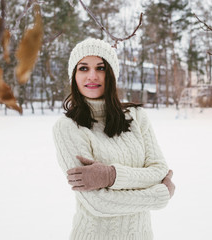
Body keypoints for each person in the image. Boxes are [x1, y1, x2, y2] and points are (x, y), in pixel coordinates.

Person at [53, 38, 175, 240]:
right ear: (74, 76)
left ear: (111, 74)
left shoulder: (136, 116)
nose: (92, 76)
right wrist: (158, 195)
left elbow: (159, 170)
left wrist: (111, 176)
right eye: (83, 68)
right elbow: (98, 203)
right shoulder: (67, 128)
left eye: (100, 68)